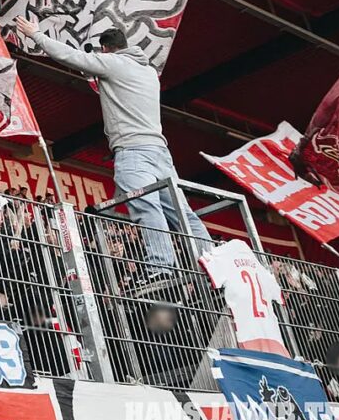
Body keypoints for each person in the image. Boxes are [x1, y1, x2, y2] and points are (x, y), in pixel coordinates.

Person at [12, 15, 210, 281]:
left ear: (106, 49)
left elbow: (72, 57)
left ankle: (161, 268)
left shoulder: (115, 63)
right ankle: (211, 262)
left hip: (133, 150)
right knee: (182, 213)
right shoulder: (149, 71)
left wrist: (36, 34)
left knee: (146, 206)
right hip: (161, 152)